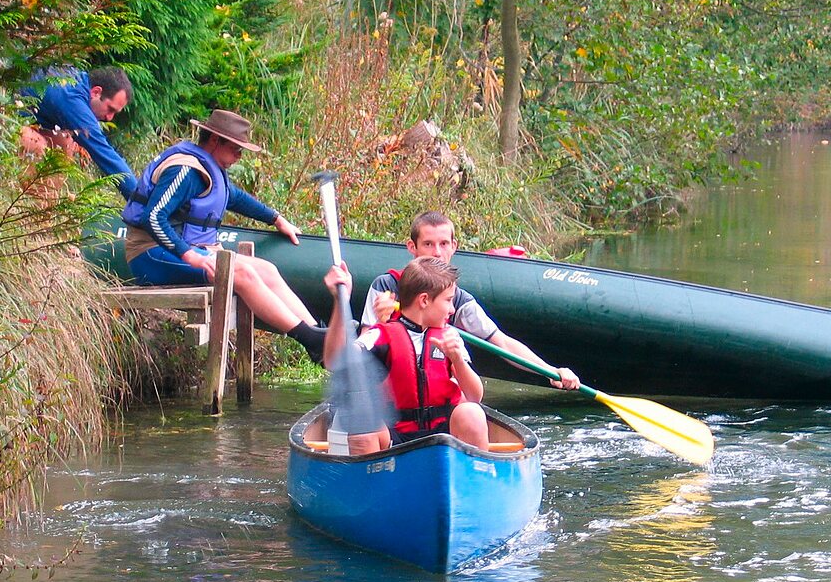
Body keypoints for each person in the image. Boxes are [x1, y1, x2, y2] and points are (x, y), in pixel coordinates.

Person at [120, 108, 327, 360]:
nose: (239, 156)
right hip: (150, 255)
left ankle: (319, 336)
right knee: (242, 272)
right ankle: (308, 338)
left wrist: (276, 218)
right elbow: (152, 217)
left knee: (267, 270)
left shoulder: (212, 168)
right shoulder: (185, 171)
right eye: (236, 149)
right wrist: (189, 255)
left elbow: (236, 198)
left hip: (188, 252)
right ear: (215, 140)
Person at [360, 210, 581, 391]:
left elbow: (502, 343)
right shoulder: (386, 288)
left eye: (444, 244)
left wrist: (552, 370)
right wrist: (382, 322)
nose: (437, 253)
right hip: (388, 394)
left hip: (433, 396)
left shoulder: (458, 301)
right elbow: (363, 353)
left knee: (468, 407)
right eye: (428, 244)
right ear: (412, 247)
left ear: (454, 246)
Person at [324, 257, 489, 455]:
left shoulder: (450, 337)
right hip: (396, 438)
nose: (452, 309)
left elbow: (474, 396)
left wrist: (457, 360)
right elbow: (335, 361)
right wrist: (339, 301)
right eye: (448, 300)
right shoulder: (380, 335)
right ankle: (371, 482)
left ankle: (476, 477)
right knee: (363, 422)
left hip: (443, 435)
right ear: (424, 300)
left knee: (472, 412)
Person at [19, 66, 136, 199]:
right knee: (35, 144)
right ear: (96, 92)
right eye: (110, 109)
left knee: (64, 142)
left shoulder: (79, 81)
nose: (109, 117)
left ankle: (46, 206)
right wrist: (140, 199)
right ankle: (29, 203)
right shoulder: (73, 100)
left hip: (30, 119)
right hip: (7, 119)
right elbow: (104, 153)